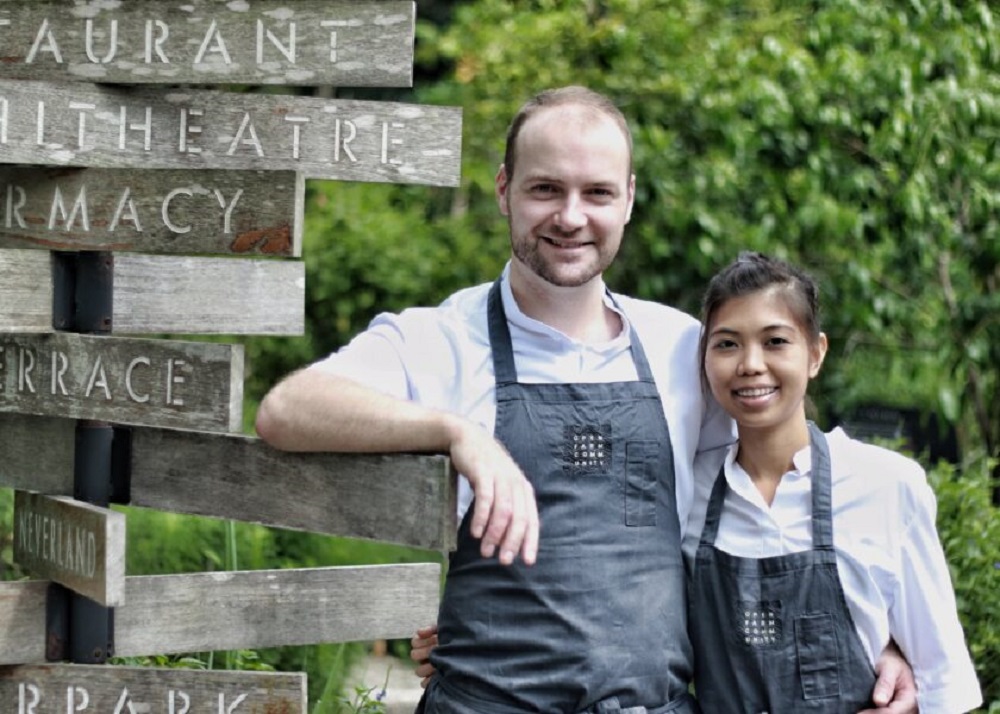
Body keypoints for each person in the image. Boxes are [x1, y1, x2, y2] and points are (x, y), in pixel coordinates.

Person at [256, 87, 917, 713]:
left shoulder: (680, 346)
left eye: (596, 193)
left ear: (628, 200)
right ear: (503, 190)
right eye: (546, 189)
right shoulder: (443, 340)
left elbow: (777, 495)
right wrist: (458, 433)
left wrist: (872, 633)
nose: (571, 217)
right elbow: (287, 409)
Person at [682, 252, 982, 712]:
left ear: (816, 354)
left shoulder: (886, 484)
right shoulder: (687, 488)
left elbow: (943, 679)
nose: (750, 364)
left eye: (776, 341)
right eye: (727, 344)